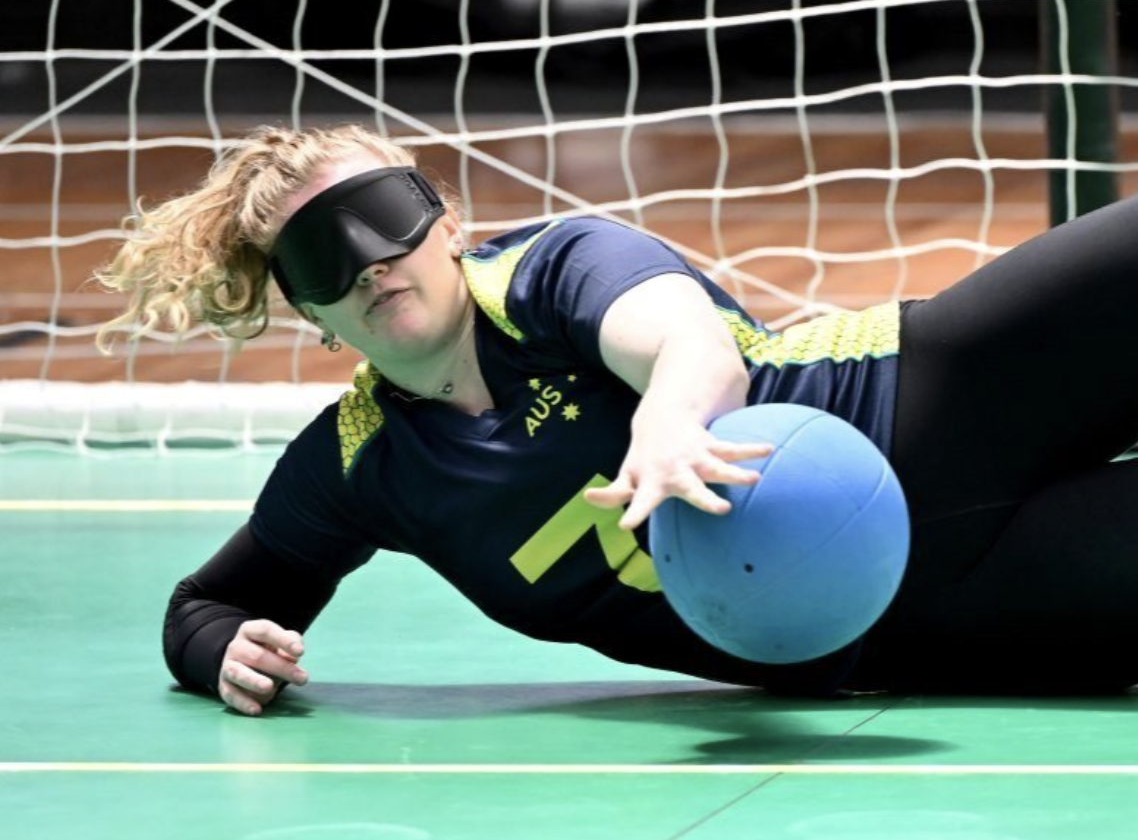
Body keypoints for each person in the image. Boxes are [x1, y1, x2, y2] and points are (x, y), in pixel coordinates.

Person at [97, 122, 1138, 714]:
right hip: (920, 628)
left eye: (383, 220)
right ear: (307, 309)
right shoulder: (358, 465)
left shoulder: (553, 269)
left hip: (935, 403)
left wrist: (671, 425)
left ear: (445, 222)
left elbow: (689, 343)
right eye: (323, 259)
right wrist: (223, 650)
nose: (369, 263)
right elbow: (205, 605)